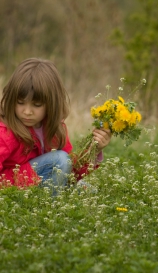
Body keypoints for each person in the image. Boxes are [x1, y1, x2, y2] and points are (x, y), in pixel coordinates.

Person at [0, 57, 111, 189]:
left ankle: (53, 200)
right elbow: (60, 162)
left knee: (88, 190)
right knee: (59, 159)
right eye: (20, 103)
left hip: (44, 185)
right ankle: (49, 208)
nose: (27, 111)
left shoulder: (55, 128)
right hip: (14, 189)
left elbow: (68, 171)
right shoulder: (5, 132)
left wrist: (94, 150)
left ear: (51, 104)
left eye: (37, 105)